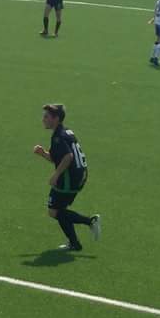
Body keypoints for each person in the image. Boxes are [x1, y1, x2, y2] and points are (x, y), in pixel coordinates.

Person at [32, 103, 100, 251]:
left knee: (53, 211)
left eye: (46, 117)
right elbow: (59, 157)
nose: (43, 119)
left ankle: (90, 221)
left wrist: (55, 175)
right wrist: (43, 154)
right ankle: (74, 243)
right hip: (79, 175)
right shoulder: (66, 131)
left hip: (69, 178)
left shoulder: (58, 137)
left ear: (56, 119)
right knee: (60, 210)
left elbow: (68, 157)